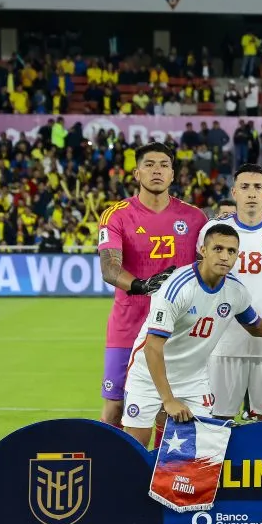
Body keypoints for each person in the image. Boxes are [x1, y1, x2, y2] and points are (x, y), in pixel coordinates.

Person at [121, 224, 262, 446]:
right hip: (148, 376)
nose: (225, 256)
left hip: (193, 380)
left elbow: (257, 327)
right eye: (218, 249)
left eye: (231, 251)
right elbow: (153, 346)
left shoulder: (235, 291)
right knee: (137, 448)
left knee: (197, 453)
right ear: (203, 250)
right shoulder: (177, 286)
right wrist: (168, 399)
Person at [98, 142, 208, 428]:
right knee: (115, 407)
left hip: (178, 330)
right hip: (128, 325)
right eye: (149, 164)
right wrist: (142, 285)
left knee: (168, 408)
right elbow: (110, 269)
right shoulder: (116, 215)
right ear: (136, 173)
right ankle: (110, 471)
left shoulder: (195, 218)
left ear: (173, 174)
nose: (156, 170)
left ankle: (160, 473)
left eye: (164, 165)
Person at [197, 164, 262, 421]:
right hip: (222, 342)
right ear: (234, 192)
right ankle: (219, 464)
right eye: (245, 187)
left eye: (258, 187)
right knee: (215, 421)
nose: (251, 193)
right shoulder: (212, 231)